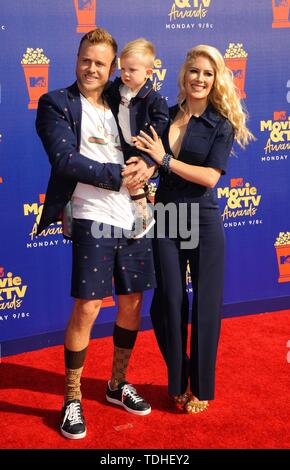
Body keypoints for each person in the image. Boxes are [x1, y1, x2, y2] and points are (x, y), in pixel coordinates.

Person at [35, 28, 157, 440]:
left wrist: (150, 168)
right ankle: (72, 398)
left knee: (133, 301)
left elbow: (156, 138)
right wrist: (120, 177)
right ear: (77, 58)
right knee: (88, 306)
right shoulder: (55, 103)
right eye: (87, 60)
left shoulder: (123, 101)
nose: (92, 68)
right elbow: (65, 160)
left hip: (136, 214)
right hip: (91, 213)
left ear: (112, 69)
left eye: (101, 63)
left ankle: (116, 384)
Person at [135, 45, 254, 414]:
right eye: (194, 72)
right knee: (167, 304)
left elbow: (209, 177)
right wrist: (141, 173)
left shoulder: (221, 124)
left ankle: (200, 388)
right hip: (167, 218)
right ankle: (179, 378)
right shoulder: (165, 116)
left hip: (202, 218)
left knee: (204, 306)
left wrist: (165, 160)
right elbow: (149, 162)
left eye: (208, 73)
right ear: (183, 77)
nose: (200, 79)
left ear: (216, 79)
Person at [111, 38, 169, 238]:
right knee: (126, 180)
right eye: (123, 69)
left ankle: (144, 216)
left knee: (133, 178)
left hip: (141, 148)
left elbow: (162, 121)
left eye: (132, 70)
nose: (126, 74)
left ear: (148, 73)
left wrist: (144, 139)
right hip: (121, 146)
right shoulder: (117, 89)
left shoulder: (154, 98)